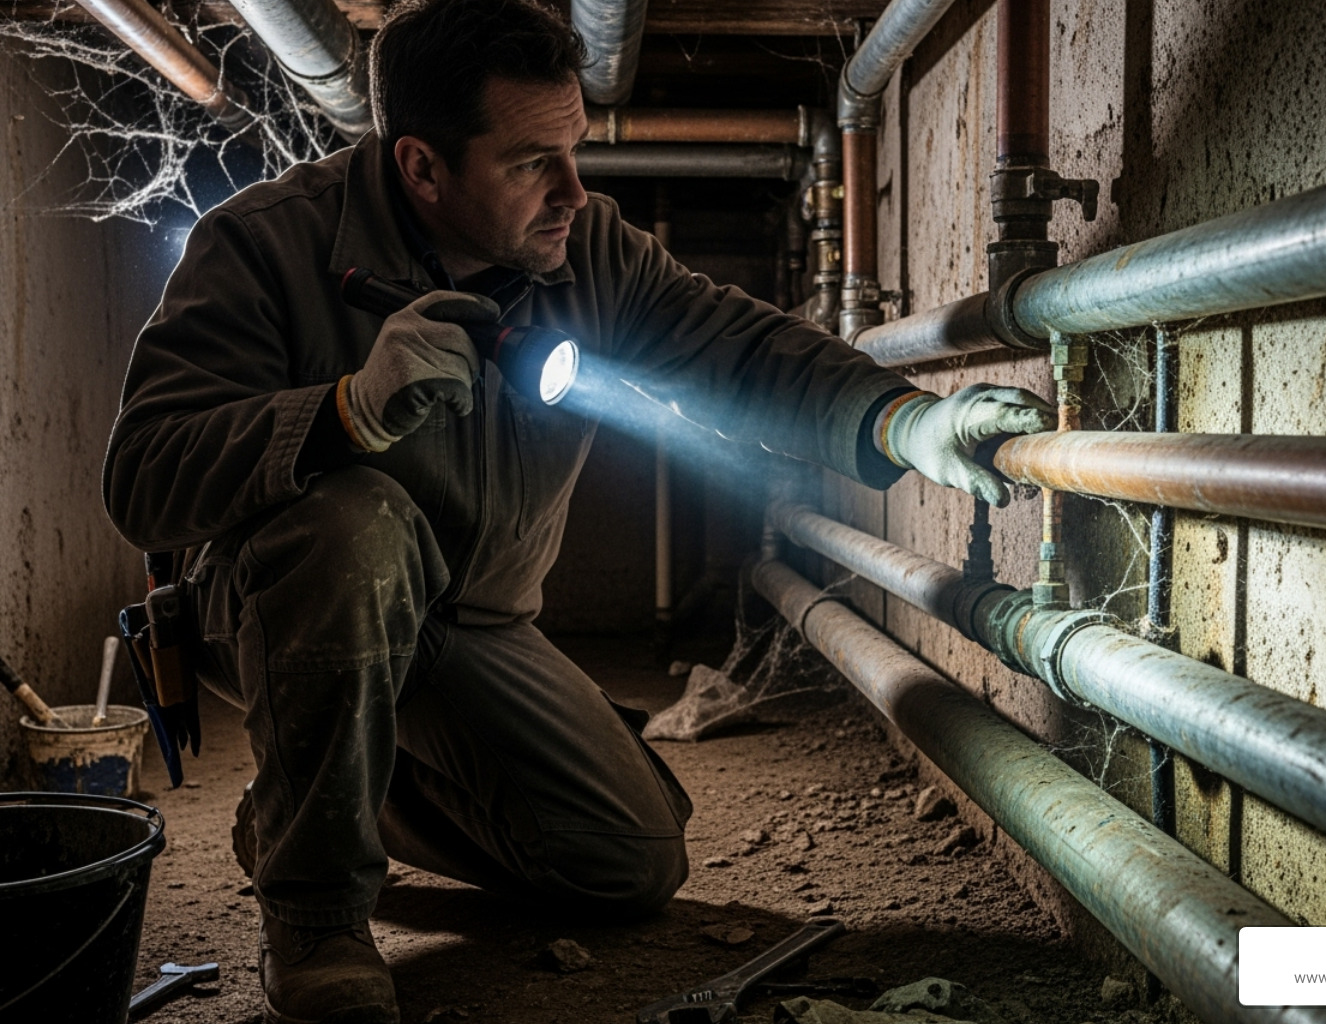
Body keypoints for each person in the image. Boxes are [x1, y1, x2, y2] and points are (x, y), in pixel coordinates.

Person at [103, 0, 1053, 1020]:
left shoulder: (587, 252)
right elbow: (144, 476)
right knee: (354, 527)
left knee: (629, 860)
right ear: (422, 167)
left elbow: (732, 347)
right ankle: (316, 911)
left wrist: (901, 422)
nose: (571, 191)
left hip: (468, 624)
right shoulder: (263, 247)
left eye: (574, 151)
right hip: (286, 605)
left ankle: (325, 791)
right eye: (529, 164)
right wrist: (341, 412)